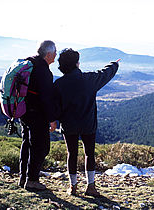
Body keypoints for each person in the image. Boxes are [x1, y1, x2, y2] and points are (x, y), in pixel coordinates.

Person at [52, 48, 119, 196]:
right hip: (88, 123)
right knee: (89, 153)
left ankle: (73, 187)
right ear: (77, 64)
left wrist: (52, 121)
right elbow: (105, 73)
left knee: (72, 153)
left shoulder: (59, 84)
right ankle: (91, 186)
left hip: (68, 124)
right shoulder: (89, 79)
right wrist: (114, 64)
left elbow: (55, 108)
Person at [19, 40, 57, 191]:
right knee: (41, 147)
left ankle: (23, 178)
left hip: (24, 111)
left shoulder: (29, 64)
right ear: (48, 54)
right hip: (37, 114)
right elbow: (46, 98)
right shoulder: (44, 71)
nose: (56, 55)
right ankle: (32, 180)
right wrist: (52, 119)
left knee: (27, 144)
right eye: (55, 52)